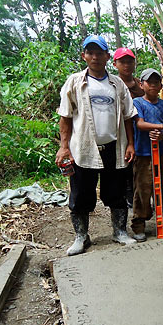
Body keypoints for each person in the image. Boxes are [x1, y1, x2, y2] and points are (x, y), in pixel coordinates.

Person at [56, 35, 138, 256]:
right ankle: (81, 236)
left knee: (117, 192)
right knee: (81, 194)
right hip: (83, 148)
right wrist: (64, 147)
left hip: (113, 147)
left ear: (107, 57)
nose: (94, 57)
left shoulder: (117, 84)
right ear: (84, 56)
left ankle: (119, 231)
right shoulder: (74, 82)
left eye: (99, 52)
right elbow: (65, 116)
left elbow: (128, 116)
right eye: (90, 52)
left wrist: (130, 144)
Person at [130, 68, 163, 241]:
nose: (153, 85)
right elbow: (141, 124)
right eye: (149, 82)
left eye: (156, 82)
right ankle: (139, 224)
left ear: (161, 85)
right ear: (141, 84)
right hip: (143, 153)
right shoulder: (138, 103)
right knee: (143, 188)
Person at [113, 47, 144, 208]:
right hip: (121, 131)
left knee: (140, 164)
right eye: (122, 62)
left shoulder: (141, 84)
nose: (126, 65)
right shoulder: (112, 84)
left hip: (141, 130)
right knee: (125, 164)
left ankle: (140, 195)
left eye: (130, 61)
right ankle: (127, 195)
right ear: (115, 64)